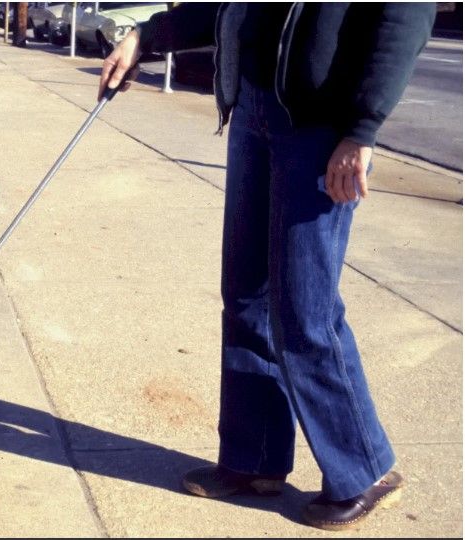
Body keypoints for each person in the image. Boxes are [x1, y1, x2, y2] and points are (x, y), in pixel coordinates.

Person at [98, 2, 436, 532]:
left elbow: (402, 20)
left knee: (305, 310)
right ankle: (253, 460)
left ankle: (366, 471)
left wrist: (361, 130)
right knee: (246, 298)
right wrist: (147, 35)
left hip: (320, 127)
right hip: (254, 108)